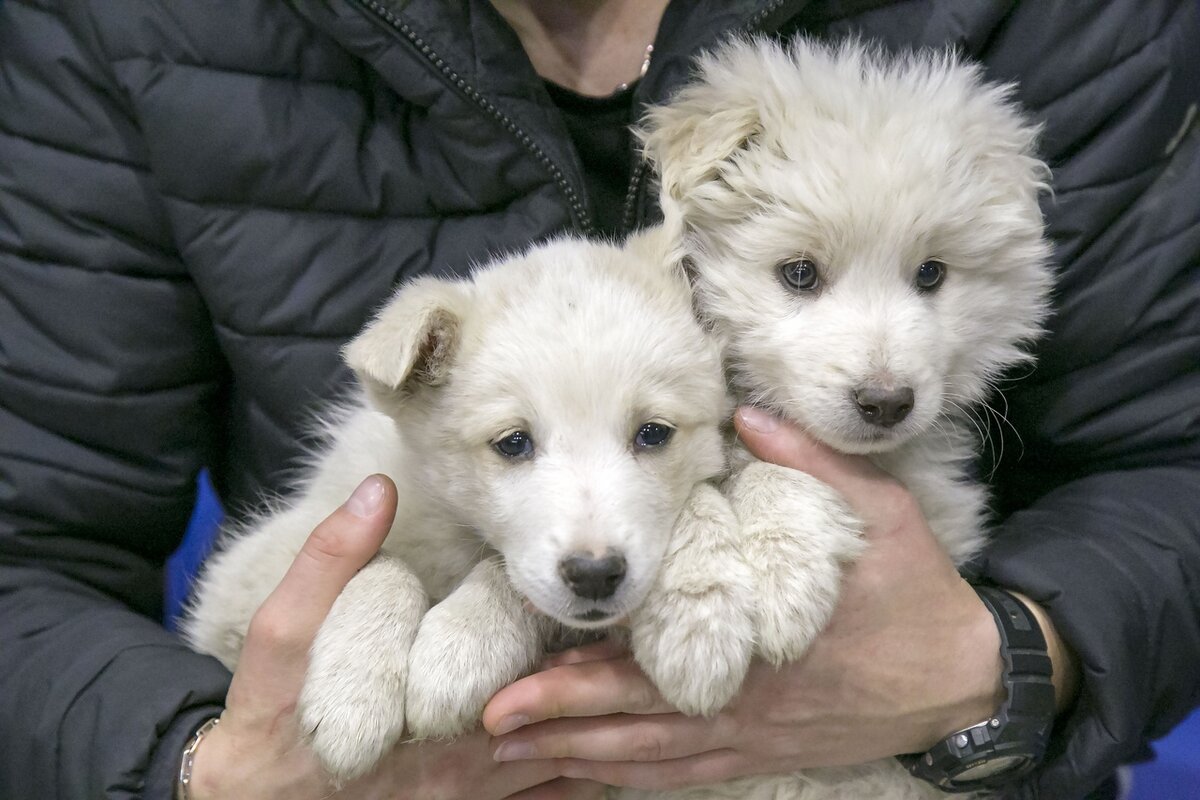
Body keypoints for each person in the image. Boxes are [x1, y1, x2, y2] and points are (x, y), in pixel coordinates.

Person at [0, 1, 1196, 799]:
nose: (882, 369)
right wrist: (200, 766)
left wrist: (1004, 662)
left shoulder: (1061, 26)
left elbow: (1172, 465)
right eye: (799, 275)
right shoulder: (122, 27)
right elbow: (28, 548)